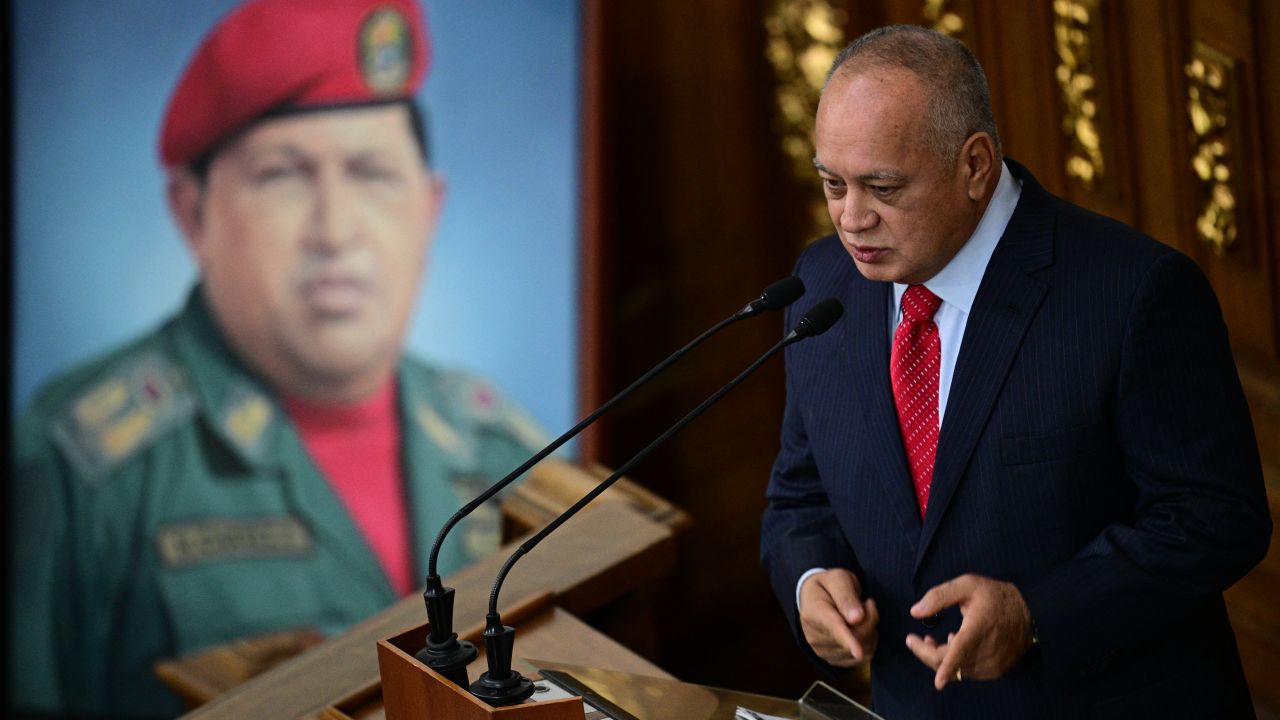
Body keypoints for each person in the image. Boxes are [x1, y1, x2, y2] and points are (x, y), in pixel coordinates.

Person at [9, 1, 547, 717]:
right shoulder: (77, 469)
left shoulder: (509, 450)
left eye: (372, 173)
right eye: (283, 175)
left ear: (429, 209)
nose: (335, 229)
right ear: (191, 213)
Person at [760, 24, 1271, 718]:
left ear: (974, 165)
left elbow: (1216, 517)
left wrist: (1038, 614)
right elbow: (801, 494)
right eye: (832, 184)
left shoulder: (1133, 294)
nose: (852, 219)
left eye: (882, 186)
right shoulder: (822, 287)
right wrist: (810, 581)